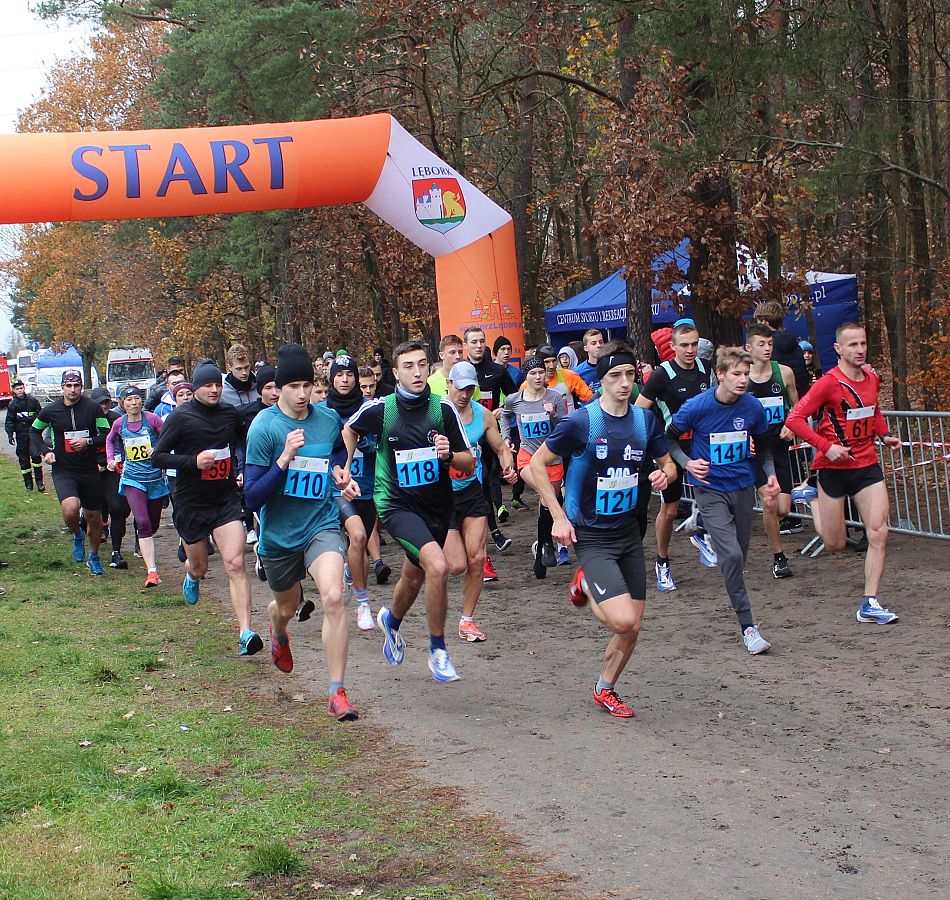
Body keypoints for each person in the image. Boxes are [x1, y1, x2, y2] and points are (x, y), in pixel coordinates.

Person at [529, 342, 676, 717]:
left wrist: (665, 474)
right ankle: (584, 582)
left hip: (630, 531)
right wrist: (558, 516)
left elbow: (668, 463)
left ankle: (605, 689)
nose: (624, 383)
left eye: (629, 375)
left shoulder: (645, 421)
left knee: (633, 626)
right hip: (591, 534)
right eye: (615, 376)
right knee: (623, 618)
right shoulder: (583, 422)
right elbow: (535, 465)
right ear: (601, 380)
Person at [341, 339, 473, 683]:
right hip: (396, 505)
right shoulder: (381, 410)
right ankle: (438, 651)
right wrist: (346, 466)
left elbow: (469, 463)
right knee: (438, 566)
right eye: (408, 366)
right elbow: (349, 430)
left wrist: (448, 455)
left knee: (414, 576)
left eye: (421, 364)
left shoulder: (443, 410)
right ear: (396, 373)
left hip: (437, 507)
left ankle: (392, 620)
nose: (417, 372)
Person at [244, 344, 359, 720]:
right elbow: (252, 497)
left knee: (333, 597)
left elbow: (337, 452)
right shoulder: (264, 427)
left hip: (321, 524)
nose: (302, 393)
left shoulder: (326, 419)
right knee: (287, 606)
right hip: (279, 536)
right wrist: (283, 459)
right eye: (293, 386)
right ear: (279, 388)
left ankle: (337, 691)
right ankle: (278, 630)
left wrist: (340, 472)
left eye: (307, 385)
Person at [666, 347, 781, 655]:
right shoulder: (698, 406)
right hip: (710, 489)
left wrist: (769, 476)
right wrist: (687, 463)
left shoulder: (753, 407)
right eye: (736, 374)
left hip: (742, 487)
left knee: (738, 558)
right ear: (720, 374)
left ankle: (701, 525)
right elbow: (668, 437)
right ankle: (749, 627)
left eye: (746, 374)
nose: (743, 380)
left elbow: (764, 448)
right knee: (730, 556)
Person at [785, 322, 901, 625]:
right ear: (838, 349)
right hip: (833, 468)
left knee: (879, 532)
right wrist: (826, 447)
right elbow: (795, 419)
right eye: (852, 345)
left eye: (863, 343)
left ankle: (870, 602)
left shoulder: (872, 378)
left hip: (866, 465)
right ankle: (812, 499)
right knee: (835, 544)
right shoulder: (828, 383)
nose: (860, 350)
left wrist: (885, 435)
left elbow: (873, 409)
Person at [150, 359, 264, 657]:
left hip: (225, 500)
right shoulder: (180, 417)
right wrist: (193, 462)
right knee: (200, 566)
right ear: (196, 388)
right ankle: (192, 575)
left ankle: (245, 633)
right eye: (208, 385)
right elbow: (158, 456)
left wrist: (243, 469)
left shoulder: (229, 413)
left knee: (235, 564)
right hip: (191, 503)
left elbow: (243, 440)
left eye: (217, 385)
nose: (214, 390)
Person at [635, 319, 717, 590]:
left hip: (700, 444)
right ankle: (662, 562)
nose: (690, 350)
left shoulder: (706, 368)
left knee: (718, 492)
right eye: (684, 345)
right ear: (673, 346)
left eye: (693, 344)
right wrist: (650, 439)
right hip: (670, 446)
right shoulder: (662, 374)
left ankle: (699, 528)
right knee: (669, 510)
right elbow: (639, 411)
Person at [444, 362, 518, 642]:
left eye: (470, 389)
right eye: (460, 388)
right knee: (456, 566)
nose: (465, 394)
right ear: (449, 384)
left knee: (476, 559)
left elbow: (500, 447)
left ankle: (467, 620)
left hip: (471, 491)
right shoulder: (436, 413)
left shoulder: (483, 415)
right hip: (442, 496)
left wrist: (508, 466)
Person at [31, 370, 110, 573]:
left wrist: (88, 441)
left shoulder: (93, 408)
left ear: (81, 387)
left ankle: (94, 556)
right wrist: (45, 451)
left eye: (76, 385)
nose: (72, 390)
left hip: (89, 469)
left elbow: (106, 434)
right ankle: (77, 534)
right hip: (64, 469)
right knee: (71, 508)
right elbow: (34, 431)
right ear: (62, 387)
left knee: (94, 517)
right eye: (68, 386)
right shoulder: (50, 410)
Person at [324, 354, 378, 632]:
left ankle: (350, 572)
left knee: (360, 543)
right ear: (331, 378)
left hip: (366, 486)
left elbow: (380, 445)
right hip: (334, 488)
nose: (345, 380)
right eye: (339, 374)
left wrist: (361, 438)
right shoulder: (321, 411)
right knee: (355, 536)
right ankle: (363, 604)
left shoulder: (370, 409)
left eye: (350, 375)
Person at [501, 354, 568, 578]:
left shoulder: (555, 397)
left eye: (541, 372)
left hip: (552, 458)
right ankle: (547, 544)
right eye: (533, 373)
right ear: (526, 376)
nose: (538, 376)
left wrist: (553, 414)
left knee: (548, 500)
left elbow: (564, 427)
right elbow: (505, 416)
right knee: (548, 495)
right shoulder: (515, 399)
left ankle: (542, 547)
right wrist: (506, 437)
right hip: (528, 456)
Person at [745, 323, 799, 578]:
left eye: (770, 344)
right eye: (761, 344)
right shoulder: (742, 378)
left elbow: (797, 407)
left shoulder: (784, 373)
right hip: (756, 451)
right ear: (748, 347)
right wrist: (744, 436)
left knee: (783, 508)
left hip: (779, 447)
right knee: (769, 503)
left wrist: (791, 425)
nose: (767, 348)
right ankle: (779, 558)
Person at [105, 385, 169, 586]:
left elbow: (168, 436)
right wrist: (110, 459)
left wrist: (158, 449)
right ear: (122, 404)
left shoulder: (152, 419)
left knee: (152, 524)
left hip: (155, 479)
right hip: (133, 479)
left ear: (142, 400)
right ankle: (152, 572)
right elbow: (109, 440)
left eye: (136, 399)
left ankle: (145, 545)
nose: (133, 403)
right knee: (142, 523)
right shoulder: (119, 423)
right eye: (129, 400)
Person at [89, 386, 133, 570]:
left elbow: (127, 442)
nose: (104, 406)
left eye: (107, 402)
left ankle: (116, 552)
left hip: (112, 469)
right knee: (92, 513)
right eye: (100, 403)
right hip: (89, 469)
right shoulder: (86, 419)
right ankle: (89, 543)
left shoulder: (117, 420)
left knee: (118, 509)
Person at [753, 300, 810, 400]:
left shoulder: (761, 348)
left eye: (758, 322)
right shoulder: (795, 344)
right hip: (800, 400)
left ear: (764, 322)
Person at [5, 379, 45, 492]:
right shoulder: (12, 404)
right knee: (23, 458)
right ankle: (28, 484)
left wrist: (38, 426)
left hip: (33, 433)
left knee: (36, 456)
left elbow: (41, 415)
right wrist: (10, 435)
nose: (20, 391)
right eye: (17, 389)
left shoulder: (33, 401)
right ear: (13, 390)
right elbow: (9, 420)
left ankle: (39, 482)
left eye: (21, 388)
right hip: (21, 434)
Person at [535, 344, 594, 414]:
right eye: (546, 362)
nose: (552, 366)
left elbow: (590, 399)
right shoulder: (530, 382)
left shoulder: (570, 376)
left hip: (568, 420)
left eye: (554, 361)